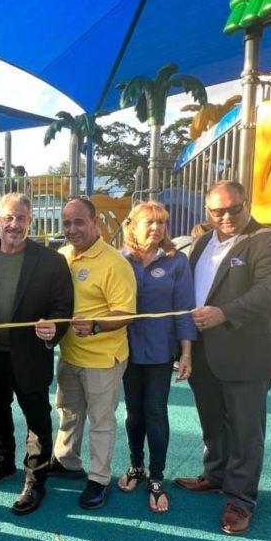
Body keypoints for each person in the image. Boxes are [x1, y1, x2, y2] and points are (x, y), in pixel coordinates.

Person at [175, 181, 271, 535]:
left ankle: (241, 499)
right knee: (212, 420)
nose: (226, 217)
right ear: (207, 211)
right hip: (203, 352)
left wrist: (224, 313)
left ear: (247, 204)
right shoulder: (199, 243)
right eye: (217, 211)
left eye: (233, 208)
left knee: (245, 430)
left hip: (248, 354)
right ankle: (214, 475)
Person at [0, 193, 74, 516]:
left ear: (30, 221)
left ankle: (35, 480)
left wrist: (53, 327)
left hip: (30, 357)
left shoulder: (52, 261)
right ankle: (3, 463)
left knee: (37, 421)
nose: (14, 224)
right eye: (8, 218)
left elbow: (63, 308)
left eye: (21, 218)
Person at [52, 197, 136, 510]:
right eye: (67, 223)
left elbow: (126, 312)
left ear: (94, 222)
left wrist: (97, 326)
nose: (72, 229)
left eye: (78, 222)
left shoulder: (115, 263)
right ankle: (66, 461)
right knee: (68, 411)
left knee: (101, 421)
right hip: (69, 355)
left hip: (103, 358)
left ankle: (99, 479)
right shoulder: (61, 257)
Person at [116, 201, 196, 513]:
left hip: (162, 351)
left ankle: (157, 478)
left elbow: (185, 308)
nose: (157, 228)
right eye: (149, 222)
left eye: (161, 223)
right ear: (132, 225)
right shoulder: (119, 260)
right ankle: (137, 466)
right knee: (134, 411)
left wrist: (186, 352)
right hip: (125, 349)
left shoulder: (177, 262)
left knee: (156, 411)